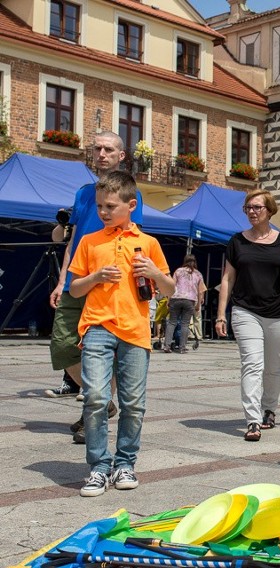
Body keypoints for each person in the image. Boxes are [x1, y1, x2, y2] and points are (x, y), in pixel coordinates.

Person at [68, 171, 174, 497]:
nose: (103, 212)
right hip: (98, 325)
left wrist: (155, 273)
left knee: (133, 403)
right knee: (96, 398)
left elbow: (170, 289)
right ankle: (99, 467)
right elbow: (74, 289)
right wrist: (96, 276)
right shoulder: (90, 242)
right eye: (100, 205)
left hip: (135, 330)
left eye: (110, 206)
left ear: (131, 205)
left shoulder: (149, 244)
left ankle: (125, 462)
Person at [47, 131, 142, 442]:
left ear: (121, 156)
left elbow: (130, 236)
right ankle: (101, 401)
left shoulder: (131, 195)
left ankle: (94, 414)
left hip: (109, 281)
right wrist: (63, 280)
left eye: (109, 149)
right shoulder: (84, 193)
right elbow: (72, 240)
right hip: (78, 278)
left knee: (104, 352)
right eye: (97, 148)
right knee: (62, 345)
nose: (102, 153)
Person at [215, 190, 280, 442]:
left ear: (270, 210)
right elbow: (227, 278)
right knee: (252, 364)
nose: (252, 212)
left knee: (272, 367)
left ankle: (269, 410)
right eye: (248, 208)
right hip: (245, 311)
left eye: (257, 207)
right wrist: (221, 314)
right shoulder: (237, 241)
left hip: (277, 313)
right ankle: (252, 420)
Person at [162, 254, 205, 354]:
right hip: (190, 301)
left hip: (176, 298)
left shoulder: (178, 271)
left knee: (172, 322)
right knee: (185, 324)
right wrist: (198, 304)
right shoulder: (198, 274)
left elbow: (172, 286)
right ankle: (182, 347)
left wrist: (168, 300)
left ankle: (167, 346)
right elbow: (201, 291)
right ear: (195, 262)